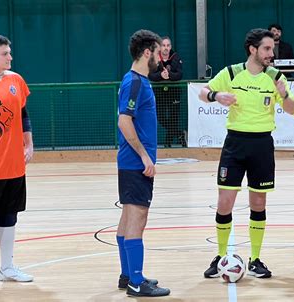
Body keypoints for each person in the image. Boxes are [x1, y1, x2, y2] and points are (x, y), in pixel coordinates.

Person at [199, 28, 294, 279]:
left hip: (262, 145)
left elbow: (292, 108)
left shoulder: (275, 76)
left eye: (271, 49)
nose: (271, 54)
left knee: (259, 203)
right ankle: (221, 257)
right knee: (225, 202)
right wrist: (216, 95)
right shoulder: (231, 72)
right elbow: (202, 92)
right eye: (266, 49)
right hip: (235, 144)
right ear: (253, 49)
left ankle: (255, 258)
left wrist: (284, 93)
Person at [115, 29, 170, 297]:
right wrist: (145, 156)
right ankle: (136, 282)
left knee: (128, 217)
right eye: (159, 52)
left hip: (130, 163)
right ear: (147, 52)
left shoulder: (138, 81)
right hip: (135, 163)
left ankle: (128, 275)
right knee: (138, 217)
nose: (161, 58)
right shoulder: (135, 82)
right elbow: (124, 121)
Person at [0, 34, 34, 283]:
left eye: (9, 52)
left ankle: (7, 267)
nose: (10, 57)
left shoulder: (16, 80)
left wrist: (29, 143)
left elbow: (23, 114)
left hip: (13, 165)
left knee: (9, 216)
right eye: (5, 53)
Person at [148, 36, 185, 148]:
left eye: (168, 45)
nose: (166, 48)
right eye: (163, 45)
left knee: (174, 117)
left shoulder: (176, 57)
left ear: (170, 47)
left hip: (174, 92)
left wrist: (169, 75)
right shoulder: (155, 58)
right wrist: (161, 75)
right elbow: (150, 75)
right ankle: (179, 134)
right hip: (159, 93)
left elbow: (179, 74)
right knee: (160, 117)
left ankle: (167, 142)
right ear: (160, 47)